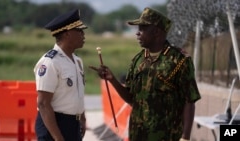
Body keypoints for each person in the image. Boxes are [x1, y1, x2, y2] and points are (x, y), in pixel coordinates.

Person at [90, 7, 201, 141]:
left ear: (156, 32)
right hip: (138, 135)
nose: (137, 33)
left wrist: (185, 137)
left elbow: (189, 101)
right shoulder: (137, 61)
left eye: (142, 28)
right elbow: (131, 98)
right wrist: (112, 79)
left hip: (167, 136)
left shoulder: (179, 61)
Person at [34, 9, 87, 141]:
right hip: (54, 125)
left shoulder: (77, 61)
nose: (83, 34)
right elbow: (43, 104)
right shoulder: (50, 62)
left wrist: (82, 117)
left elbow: (76, 93)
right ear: (67, 34)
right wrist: (58, 138)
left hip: (73, 124)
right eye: (79, 31)